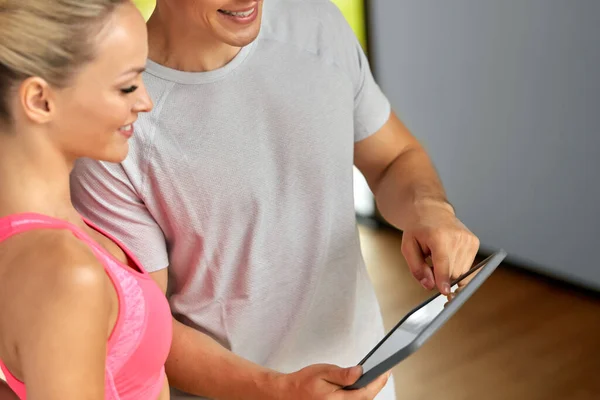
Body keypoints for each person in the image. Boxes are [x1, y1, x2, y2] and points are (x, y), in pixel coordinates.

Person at [71, 0, 481, 399]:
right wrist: (278, 391)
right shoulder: (116, 121)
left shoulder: (317, 26)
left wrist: (430, 210)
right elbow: (142, 326)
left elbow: (392, 159)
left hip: (367, 378)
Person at [0, 1, 172, 399]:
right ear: (40, 100)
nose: (145, 102)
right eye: (127, 86)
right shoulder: (63, 271)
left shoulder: (52, 237)